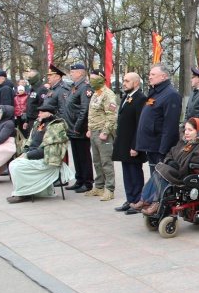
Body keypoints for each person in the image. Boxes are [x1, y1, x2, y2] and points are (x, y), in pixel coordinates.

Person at [130, 118, 199, 215]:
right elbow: (171, 152)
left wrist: (178, 165)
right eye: (185, 129)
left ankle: (155, 203)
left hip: (187, 174)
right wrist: (170, 161)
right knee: (159, 169)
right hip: (178, 170)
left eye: (190, 130)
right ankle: (145, 200)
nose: (186, 132)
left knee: (163, 172)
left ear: (198, 131)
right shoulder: (183, 142)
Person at [6, 102, 73, 203]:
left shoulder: (55, 127)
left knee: (15, 166)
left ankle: (22, 193)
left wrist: (27, 155)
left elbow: (47, 150)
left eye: (41, 112)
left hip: (47, 160)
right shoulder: (40, 123)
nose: (39, 114)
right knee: (14, 163)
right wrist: (25, 152)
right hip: (36, 155)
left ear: (49, 114)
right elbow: (31, 141)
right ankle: (25, 191)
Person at [135, 63, 182, 175]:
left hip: (159, 147)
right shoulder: (156, 92)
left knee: (159, 178)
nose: (149, 77)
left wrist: (163, 150)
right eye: (150, 74)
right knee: (154, 177)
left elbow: (170, 126)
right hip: (151, 145)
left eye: (153, 74)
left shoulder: (171, 95)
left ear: (163, 76)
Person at [113, 72, 148, 214]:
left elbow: (140, 124)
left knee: (135, 173)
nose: (124, 83)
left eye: (127, 81)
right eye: (123, 80)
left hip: (133, 144)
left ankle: (137, 201)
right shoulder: (127, 97)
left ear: (136, 83)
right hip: (124, 143)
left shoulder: (140, 98)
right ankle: (130, 199)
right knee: (127, 173)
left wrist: (136, 145)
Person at [85, 69, 117, 201]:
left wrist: (105, 132)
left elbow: (112, 115)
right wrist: (89, 128)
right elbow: (91, 112)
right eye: (90, 78)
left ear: (102, 78)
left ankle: (109, 189)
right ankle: (99, 186)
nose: (91, 81)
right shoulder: (95, 93)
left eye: (94, 78)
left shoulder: (108, 94)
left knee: (106, 162)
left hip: (103, 132)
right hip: (94, 131)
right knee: (97, 162)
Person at [63, 63, 94, 193]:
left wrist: (78, 126)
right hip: (72, 127)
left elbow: (84, 109)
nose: (71, 74)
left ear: (80, 73)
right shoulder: (74, 87)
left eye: (73, 72)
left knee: (84, 156)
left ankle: (87, 182)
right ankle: (79, 179)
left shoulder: (85, 87)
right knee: (76, 155)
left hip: (79, 127)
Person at [23, 68, 48, 137]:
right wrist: (26, 121)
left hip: (37, 121)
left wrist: (39, 121)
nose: (28, 79)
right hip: (30, 121)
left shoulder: (42, 90)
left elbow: (44, 106)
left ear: (36, 77)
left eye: (30, 77)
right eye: (28, 77)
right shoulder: (31, 89)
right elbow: (30, 106)